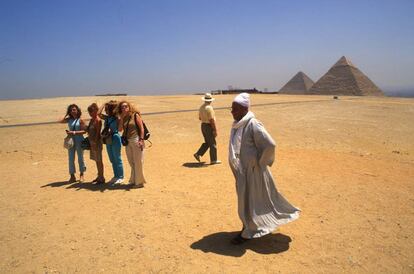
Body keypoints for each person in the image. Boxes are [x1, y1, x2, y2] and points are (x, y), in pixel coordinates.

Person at [228, 93, 300, 244]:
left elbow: (270, 144)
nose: (232, 112)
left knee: (248, 201)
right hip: (243, 172)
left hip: (253, 173)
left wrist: (260, 163)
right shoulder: (238, 124)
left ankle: (246, 231)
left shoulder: (253, 124)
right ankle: (249, 227)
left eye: (235, 109)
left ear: (244, 108)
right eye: (231, 108)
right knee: (247, 201)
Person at [117, 101, 147, 188]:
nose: (124, 108)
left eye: (126, 106)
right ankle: (134, 180)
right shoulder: (124, 118)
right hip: (128, 141)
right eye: (122, 107)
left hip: (136, 140)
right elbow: (119, 130)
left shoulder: (135, 116)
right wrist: (121, 118)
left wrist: (141, 140)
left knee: (138, 162)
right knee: (131, 162)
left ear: (129, 107)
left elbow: (141, 128)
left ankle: (139, 183)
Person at [98, 100, 124, 185]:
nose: (105, 110)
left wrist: (119, 120)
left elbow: (120, 129)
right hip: (108, 138)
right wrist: (103, 104)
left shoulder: (117, 118)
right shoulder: (107, 118)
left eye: (107, 108)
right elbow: (98, 114)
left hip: (115, 137)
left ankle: (120, 177)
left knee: (117, 158)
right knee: (112, 159)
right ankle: (116, 176)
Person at [60, 104, 86, 183]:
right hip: (71, 140)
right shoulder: (69, 119)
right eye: (71, 110)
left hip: (79, 139)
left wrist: (73, 132)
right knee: (71, 158)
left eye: (74, 109)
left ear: (78, 110)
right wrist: (66, 114)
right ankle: (72, 176)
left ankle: (82, 174)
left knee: (80, 158)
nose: (73, 111)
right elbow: (60, 121)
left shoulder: (81, 120)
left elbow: (84, 131)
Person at [193, 93, 221, 165]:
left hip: (203, 126)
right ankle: (213, 160)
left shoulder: (201, 107)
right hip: (208, 126)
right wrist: (215, 130)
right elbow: (211, 120)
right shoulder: (209, 108)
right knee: (212, 144)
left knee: (208, 142)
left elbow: (200, 118)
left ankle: (198, 154)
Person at [86, 103, 105, 184]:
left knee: (99, 160)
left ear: (96, 110)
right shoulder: (91, 120)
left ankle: (102, 178)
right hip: (92, 143)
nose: (90, 113)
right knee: (96, 160)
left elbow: (98, 133)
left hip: (96, 143)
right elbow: (88, 130)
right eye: (89, 111)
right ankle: (99, 176)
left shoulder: (98, 120)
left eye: (92, 111)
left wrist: (95, 142)